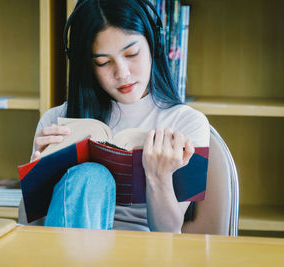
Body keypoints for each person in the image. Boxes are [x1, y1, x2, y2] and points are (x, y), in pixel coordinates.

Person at [19, 0, 209, 233]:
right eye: (104, 62)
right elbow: (28, 230)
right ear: (87, 65)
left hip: (143, 253)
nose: (122, 73)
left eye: (132, 54)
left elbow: (169, 232)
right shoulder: (57, 120)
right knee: (90, 177)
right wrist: (39, 177)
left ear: (154, 44)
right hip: (64, 248)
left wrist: (159, 177)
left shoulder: (186, 123)